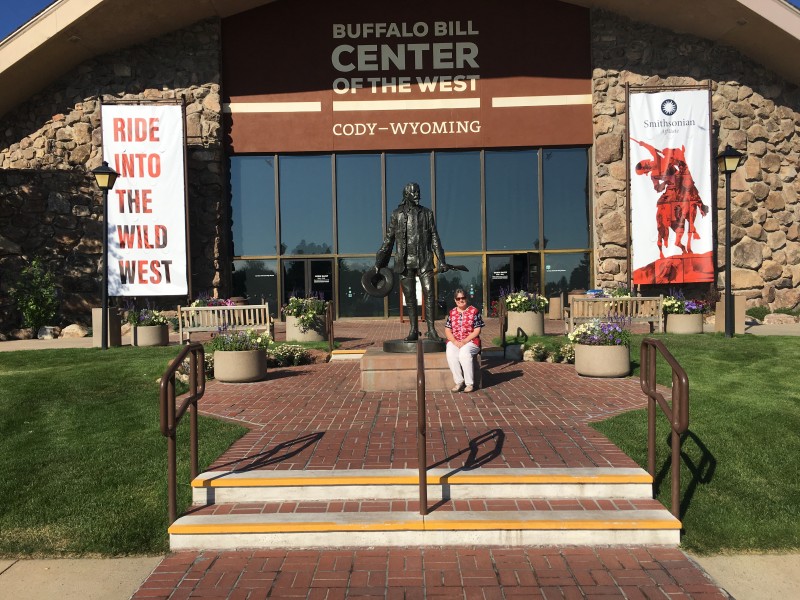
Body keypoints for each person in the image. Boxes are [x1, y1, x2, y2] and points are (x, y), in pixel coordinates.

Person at [375, 182, 449, 341]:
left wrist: (441, 260)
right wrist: (379, 262)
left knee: (429, 293)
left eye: (418, 191)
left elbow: (435, 237)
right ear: (406, 195)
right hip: (405, 262)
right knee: (409, 297)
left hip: (424, 260)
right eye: (413, 192)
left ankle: (431, 330)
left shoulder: (427, 213)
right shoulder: (397, 214)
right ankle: (414, 330)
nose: (417, 194)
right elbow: (389, 240)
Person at [444, 288, 484, 393]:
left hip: (471, 341)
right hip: (455, 340)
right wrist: (454, 341)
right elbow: (447, 330)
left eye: (463, 298)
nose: (461, 300)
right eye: (458, 298)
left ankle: (469, 384)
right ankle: (459, 381)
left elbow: (477, 330)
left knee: (464, 353)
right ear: (455, 300)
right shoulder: (452, 313)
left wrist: (465, 341)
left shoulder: (474, 311)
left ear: (466, 298)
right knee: (450, 351)